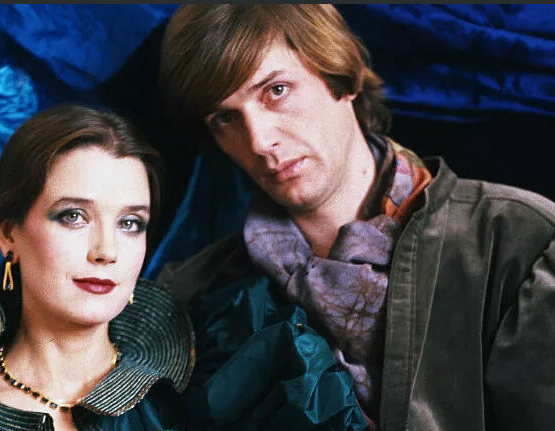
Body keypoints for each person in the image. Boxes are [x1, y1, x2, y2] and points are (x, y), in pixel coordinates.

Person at [155, 4, 555, 431]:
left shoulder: (519, 242)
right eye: (225, 117)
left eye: (276, 91)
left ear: (338, 75)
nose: (259, 140)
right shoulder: (194, 297)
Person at [0, 105, 195, 430]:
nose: (107, 251)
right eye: (73, 216)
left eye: (130, 223)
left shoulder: (185, 405)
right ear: (8, 235)